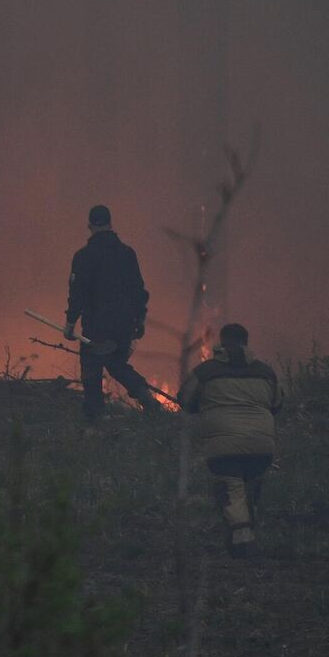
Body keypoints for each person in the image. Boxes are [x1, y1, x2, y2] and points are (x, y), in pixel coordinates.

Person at [177, 323, 281, 557]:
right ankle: (247, 531)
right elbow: (278, 403)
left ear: (222, 342)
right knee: (251, 485)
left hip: (223, 446)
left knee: (230, 486)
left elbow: (185, 399)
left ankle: (242, 538)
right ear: (246, 341)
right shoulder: (265, 371)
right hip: (262, 445)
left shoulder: (205, 372)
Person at [63, 204, 160, 422]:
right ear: (110, 223)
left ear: (90, 226)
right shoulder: (127, 254)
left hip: (95, 327)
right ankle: (147, 398)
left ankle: (94, 420)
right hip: (123, 326)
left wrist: (70, 323)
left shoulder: (84, 256)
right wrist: (139, 321)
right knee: (116, 364)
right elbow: (139, 291)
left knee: (91, 370)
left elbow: (77, 293)